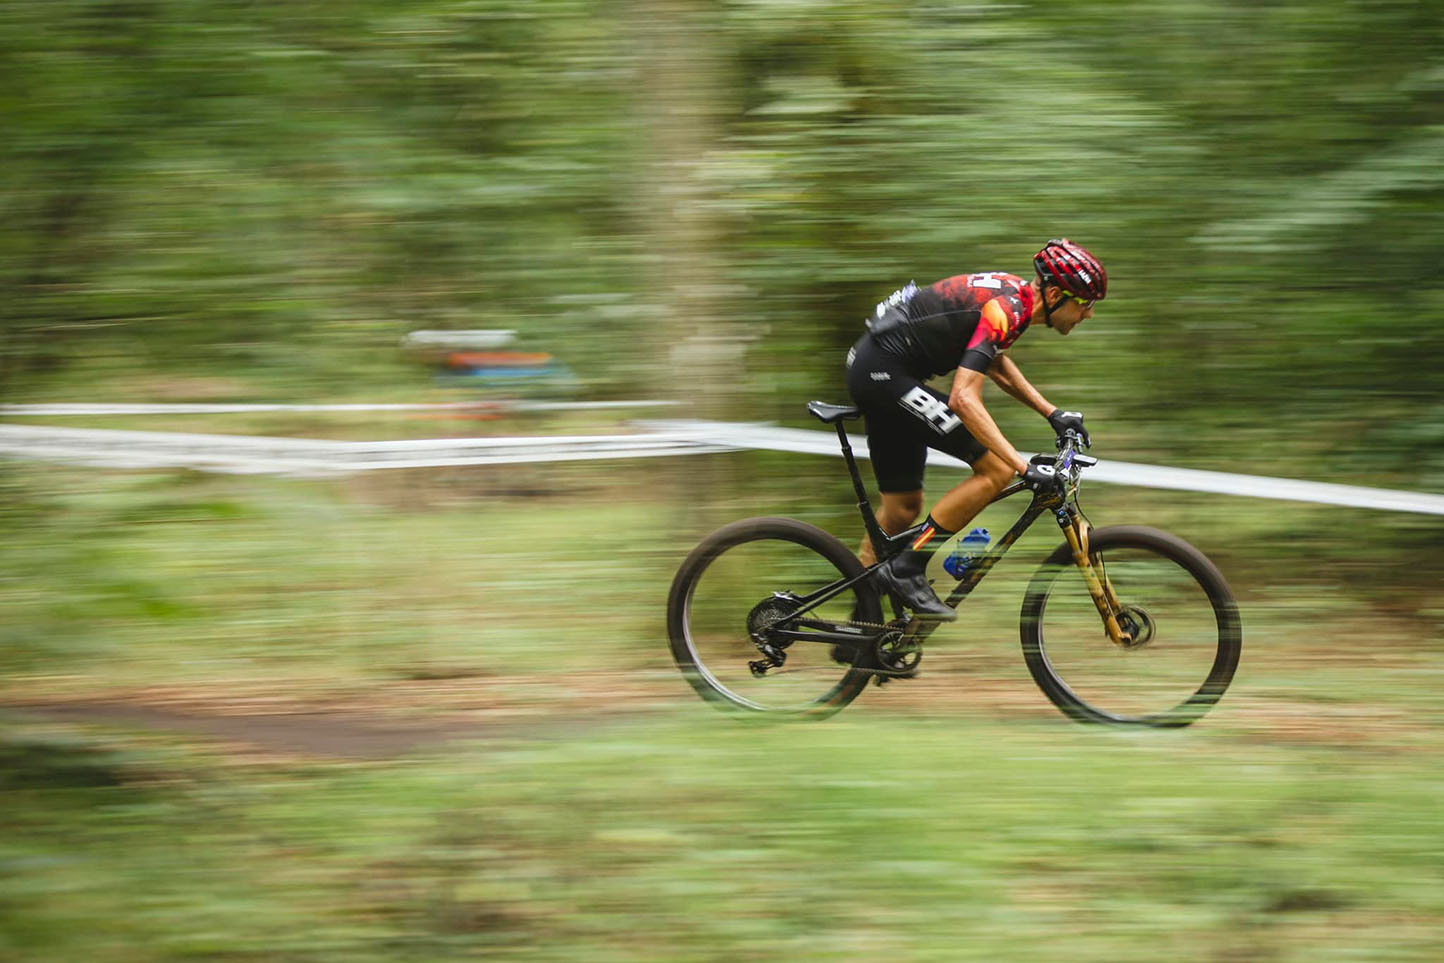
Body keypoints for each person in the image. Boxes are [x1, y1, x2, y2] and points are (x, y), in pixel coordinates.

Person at [844, 238, 1106, 621]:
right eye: (1084, 303)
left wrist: (1052, 412)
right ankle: (907, 569)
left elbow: (994, 362)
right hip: (883, 373)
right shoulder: (1006, 309)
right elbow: (963, 399)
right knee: (997, 469)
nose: (1089, 314)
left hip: (880, 370)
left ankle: (862, 623)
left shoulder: (1014, 302)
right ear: (1054, 295)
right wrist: (1021, 466)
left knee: (902, 509)